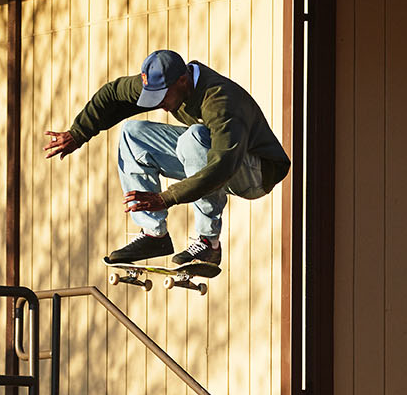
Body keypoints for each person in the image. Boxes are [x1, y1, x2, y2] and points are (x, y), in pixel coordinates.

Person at [42, 49, 290, 274]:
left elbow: (222, 166)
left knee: (194, 138)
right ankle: (154, 235)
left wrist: (166, 198)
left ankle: (208, 243)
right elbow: (112, 94)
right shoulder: (163, 80)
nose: (159, 104)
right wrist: (78, 133)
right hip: (217, 159)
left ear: (182, 81)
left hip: (255, 172)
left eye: (162, 97)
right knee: (133, 134)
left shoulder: (220, 100)